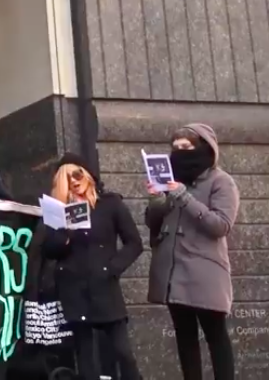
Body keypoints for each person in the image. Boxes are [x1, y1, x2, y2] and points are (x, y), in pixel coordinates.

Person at [146, 124, 238, 380]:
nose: (179, 153)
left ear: (204, 147)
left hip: (205, 273)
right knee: (185, 339)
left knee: (216, 337)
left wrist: (182, 196)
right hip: (174, 274)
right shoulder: (173, 182)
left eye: (186, 147)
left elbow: (220, 225)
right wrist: (156, 199)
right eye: (175, 148)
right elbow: (154, 225)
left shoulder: (221, 181)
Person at [42, 153, 142, 380]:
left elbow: (134, 243)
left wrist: (112, 268)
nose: (74, 180)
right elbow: (49, 250)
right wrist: (66, 230)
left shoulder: (110, 204)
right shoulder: (57, 211)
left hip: (104, 287)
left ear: (87, 174)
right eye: (67, 178)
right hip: (73, 289)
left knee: (123, 353)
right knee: (86, 358)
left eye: (77, 173)